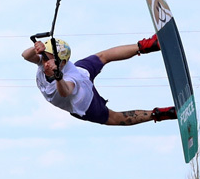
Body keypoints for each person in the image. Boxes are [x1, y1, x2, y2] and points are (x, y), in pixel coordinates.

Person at [21, 35, 177, 125]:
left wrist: (57, 76)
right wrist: (36, 48)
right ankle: (161, 113)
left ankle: (148, 45)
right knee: (115, 117)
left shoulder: (70, 76)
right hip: (85, 103)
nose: (44, 62)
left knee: (113, 118)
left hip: (83, 96)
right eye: (44, 57)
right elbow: (25, 55)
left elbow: (65, 90)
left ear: (62, 63)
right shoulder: (44, 60)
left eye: (49, 59)